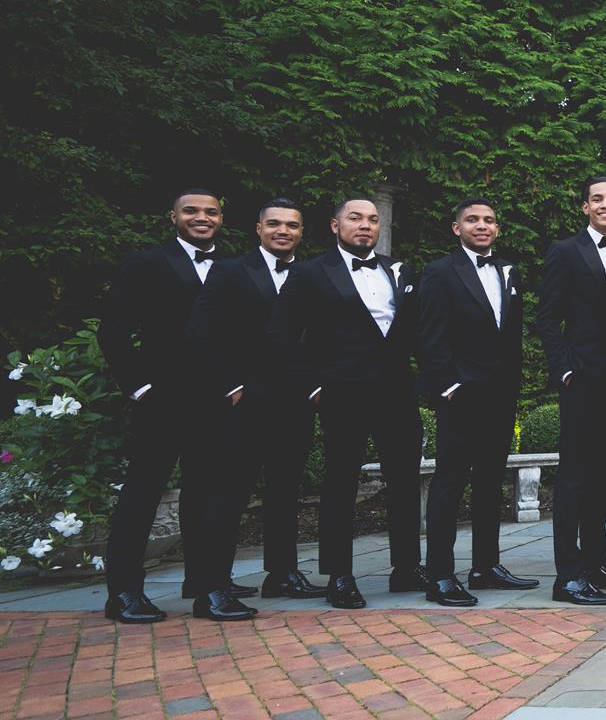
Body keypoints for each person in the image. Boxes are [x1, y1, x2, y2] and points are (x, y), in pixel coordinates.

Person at [267, 197, 424, 609]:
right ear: (335, 225)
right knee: (340, 484)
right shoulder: (310, 272)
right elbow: (281, 333)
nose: (365, 225)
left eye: (372, 219)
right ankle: (339, 575)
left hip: (397, 393)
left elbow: (414, 329)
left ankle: (407, 568)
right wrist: (312, 385)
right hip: (342, 393)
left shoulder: (399, 269)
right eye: (355, 218)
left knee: (405, 481)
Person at [100, 188, 237, 623]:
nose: (202, 217)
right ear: (173, 217)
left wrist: (237, 386)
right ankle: (123, 592)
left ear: (221, 219)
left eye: (211, 212)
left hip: (215, 401)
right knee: (142, 494)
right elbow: (113, 330)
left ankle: (207, 589)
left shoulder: (232, 267)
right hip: (161, 399)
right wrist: (139, 388)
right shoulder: (145, 263)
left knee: (207, 496)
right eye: (191, 211)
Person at [189, 197, 322, 602]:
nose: (283, 231)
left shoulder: (312, 275)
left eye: (292, 225)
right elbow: (202, 331)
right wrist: (232, 385)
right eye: (275, 223)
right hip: (246, 401)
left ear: (301, 232)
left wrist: (316, 386)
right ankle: (213, 586)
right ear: (259, 228)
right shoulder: (230, 271)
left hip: (296, 401)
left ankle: (282, 574)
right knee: (230, 493)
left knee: (286, 491)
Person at [413, 198, 538, 606]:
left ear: (497, 228)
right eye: (472, 220)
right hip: (461, 395)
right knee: (449, 482)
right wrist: (449, 387)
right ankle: (440, 575)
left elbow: (511, 335)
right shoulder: (439, 272)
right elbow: (429, 336)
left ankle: (486, 566)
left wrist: (513, 386)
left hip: (500, 395)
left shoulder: (509, 271)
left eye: (489, 220)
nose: (481, 226)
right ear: (457, 228)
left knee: (490, 481)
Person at [535, 175, 606, 606]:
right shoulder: (566, 251)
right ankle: (568, 576)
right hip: (581, 380)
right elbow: (546, 318)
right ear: (585, 207)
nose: (605, 204)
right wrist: (564, 370)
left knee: (599, 476)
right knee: (574, 478)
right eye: (597, 198)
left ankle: (596, 563)